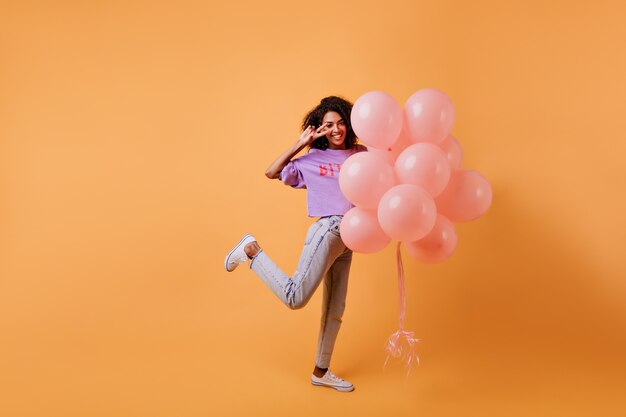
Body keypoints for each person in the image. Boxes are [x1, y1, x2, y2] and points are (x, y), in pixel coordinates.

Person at [224, 96, 366, 392]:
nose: (337, 130)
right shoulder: (311, 159)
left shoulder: (360, 153)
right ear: (319, 129)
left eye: (341, 123)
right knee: (295, 297)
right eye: (329, 125)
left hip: (351, 237)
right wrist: (301, 143)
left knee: (335, 309)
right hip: (329, 230)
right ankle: (252, 251)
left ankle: (321, 372)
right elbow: (271, 171)